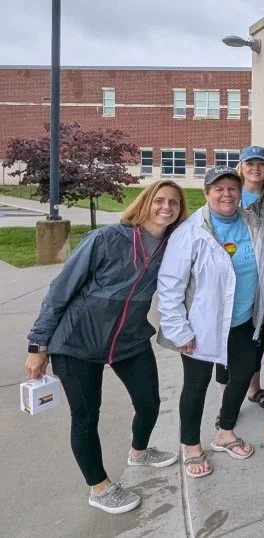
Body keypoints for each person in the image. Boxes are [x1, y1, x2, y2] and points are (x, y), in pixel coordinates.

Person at [25, 181, 186, 514]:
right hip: (77, 341)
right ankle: (99, 488)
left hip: (130, 339)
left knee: (150, 402)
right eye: (159, 200)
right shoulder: (106, 239)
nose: (166, 207)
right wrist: (38, 345)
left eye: (173, 202)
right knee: (85, 417)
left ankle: (139, 452)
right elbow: (60, 290)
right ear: (145, 203)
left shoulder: (174, 246)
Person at [157, 166, 264, 478]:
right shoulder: (190, 233)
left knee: (242, 376)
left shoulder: (253, 224)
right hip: (201, 327)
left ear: (241, 192)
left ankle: (225, 431)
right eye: (218, 188)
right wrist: (179, 330)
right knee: (196, 385)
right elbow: (169, 286)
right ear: (206, 193)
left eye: (232, 188)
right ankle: (190, 445)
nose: (226, 194)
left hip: (245, 321)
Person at [217, 145, 264, 411]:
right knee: (226, 343)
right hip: (228, 283)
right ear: (240, 167)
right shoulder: (228, 196)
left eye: (261, 164)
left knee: (256, 340)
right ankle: (225, 402)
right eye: (250, 163)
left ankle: (253, 390)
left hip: (261, 284)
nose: (255, 168)